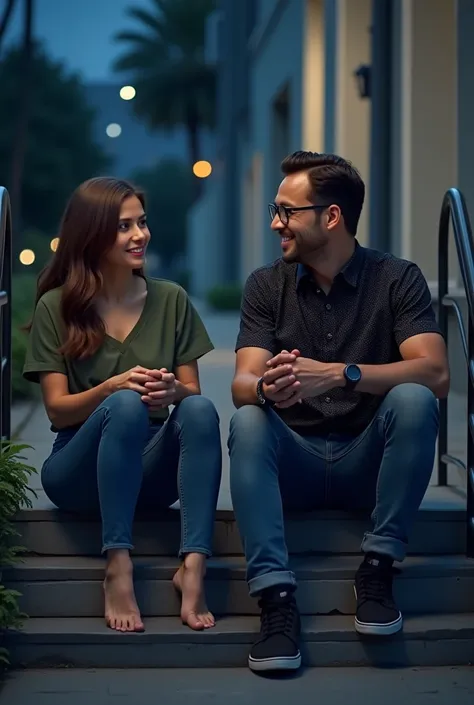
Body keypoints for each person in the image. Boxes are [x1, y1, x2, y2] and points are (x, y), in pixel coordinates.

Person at [229, 151, 449, 672]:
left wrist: (337, 372)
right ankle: (276, 601)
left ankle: (377, 567)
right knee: (247, 419)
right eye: (274, 209)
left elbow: (437, 373)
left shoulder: (397, 279)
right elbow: (241, 383)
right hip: (296, 465)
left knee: (414, 399)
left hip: (367, 466)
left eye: (286, 211)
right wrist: (269, 387)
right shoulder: (266, 285)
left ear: (331, 217)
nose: (274, 223)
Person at [23, 177, 222, 634]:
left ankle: (193, 566)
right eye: (123, 226)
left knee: (199, 411)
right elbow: (56, 410)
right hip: (78, 470)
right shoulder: (59, 306)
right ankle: (118, 563)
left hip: (151, 472)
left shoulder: (170, 298)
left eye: (142, 223)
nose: (140, 235)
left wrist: (174, 392)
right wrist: (110, 389)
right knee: (126, 405)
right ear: (92, 235)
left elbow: (192, 393)